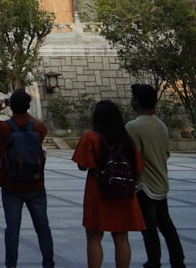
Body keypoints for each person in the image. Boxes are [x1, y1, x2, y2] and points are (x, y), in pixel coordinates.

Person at [0, 88, 55, 268]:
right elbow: (43, 127)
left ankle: (11, 264)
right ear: (28, 106)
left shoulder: (3, 128)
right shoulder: (37, 127)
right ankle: (49, 263)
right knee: (43, 228)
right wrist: (26, 114)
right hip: (36, 185)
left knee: (12, 229)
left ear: (11, 107)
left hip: (11, 185)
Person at [72, 100, 146, 268]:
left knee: (94, 237)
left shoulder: (90, 137)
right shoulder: (127, 140)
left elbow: (82, 166)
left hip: (98, 192)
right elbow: (139, 168)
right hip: (123, 193)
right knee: (121, 239)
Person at [126, 84, 186, 268]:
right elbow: (166, 153)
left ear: (138, 101)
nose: (132, 100)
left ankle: (153, 262)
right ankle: (178, 260)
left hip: (144, 184)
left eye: (133, 97)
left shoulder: (133, 127)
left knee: (149, 229)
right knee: (166, 225)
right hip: (161, 182)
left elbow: (132, 157)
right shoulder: (161, 125)